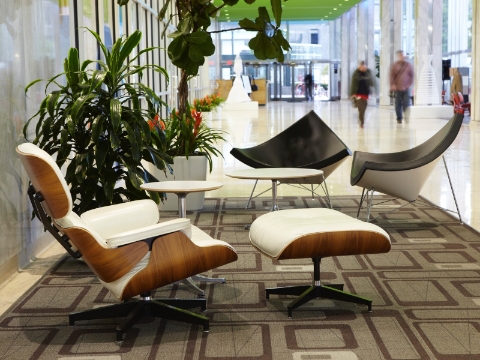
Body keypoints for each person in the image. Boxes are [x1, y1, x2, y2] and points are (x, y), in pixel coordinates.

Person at [389, 50, 414, 123]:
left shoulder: (408, 65)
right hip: (397, 88)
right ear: (398, 56)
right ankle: (399, 118)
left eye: (402, 55)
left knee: (406, 102)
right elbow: (391, 76)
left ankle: (406, 117)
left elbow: (411, 75)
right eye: (400, 55)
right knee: (398, 103)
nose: (402, 56)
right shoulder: (395, 65)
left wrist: (409, 84)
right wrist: (392, 84)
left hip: (406, 87)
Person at [350, 61, 374, 127]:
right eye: (362, 66)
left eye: (365, 66)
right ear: (360, 66)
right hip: (359, 94)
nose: (364, 68)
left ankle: (361, 119)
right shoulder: (356, 73)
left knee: (364, 107)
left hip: (365, 94)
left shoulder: (368, 73)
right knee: (361, 108)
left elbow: (371, 81)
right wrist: (353, 93)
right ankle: (362, 122)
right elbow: (353, 83)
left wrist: (372, 90)